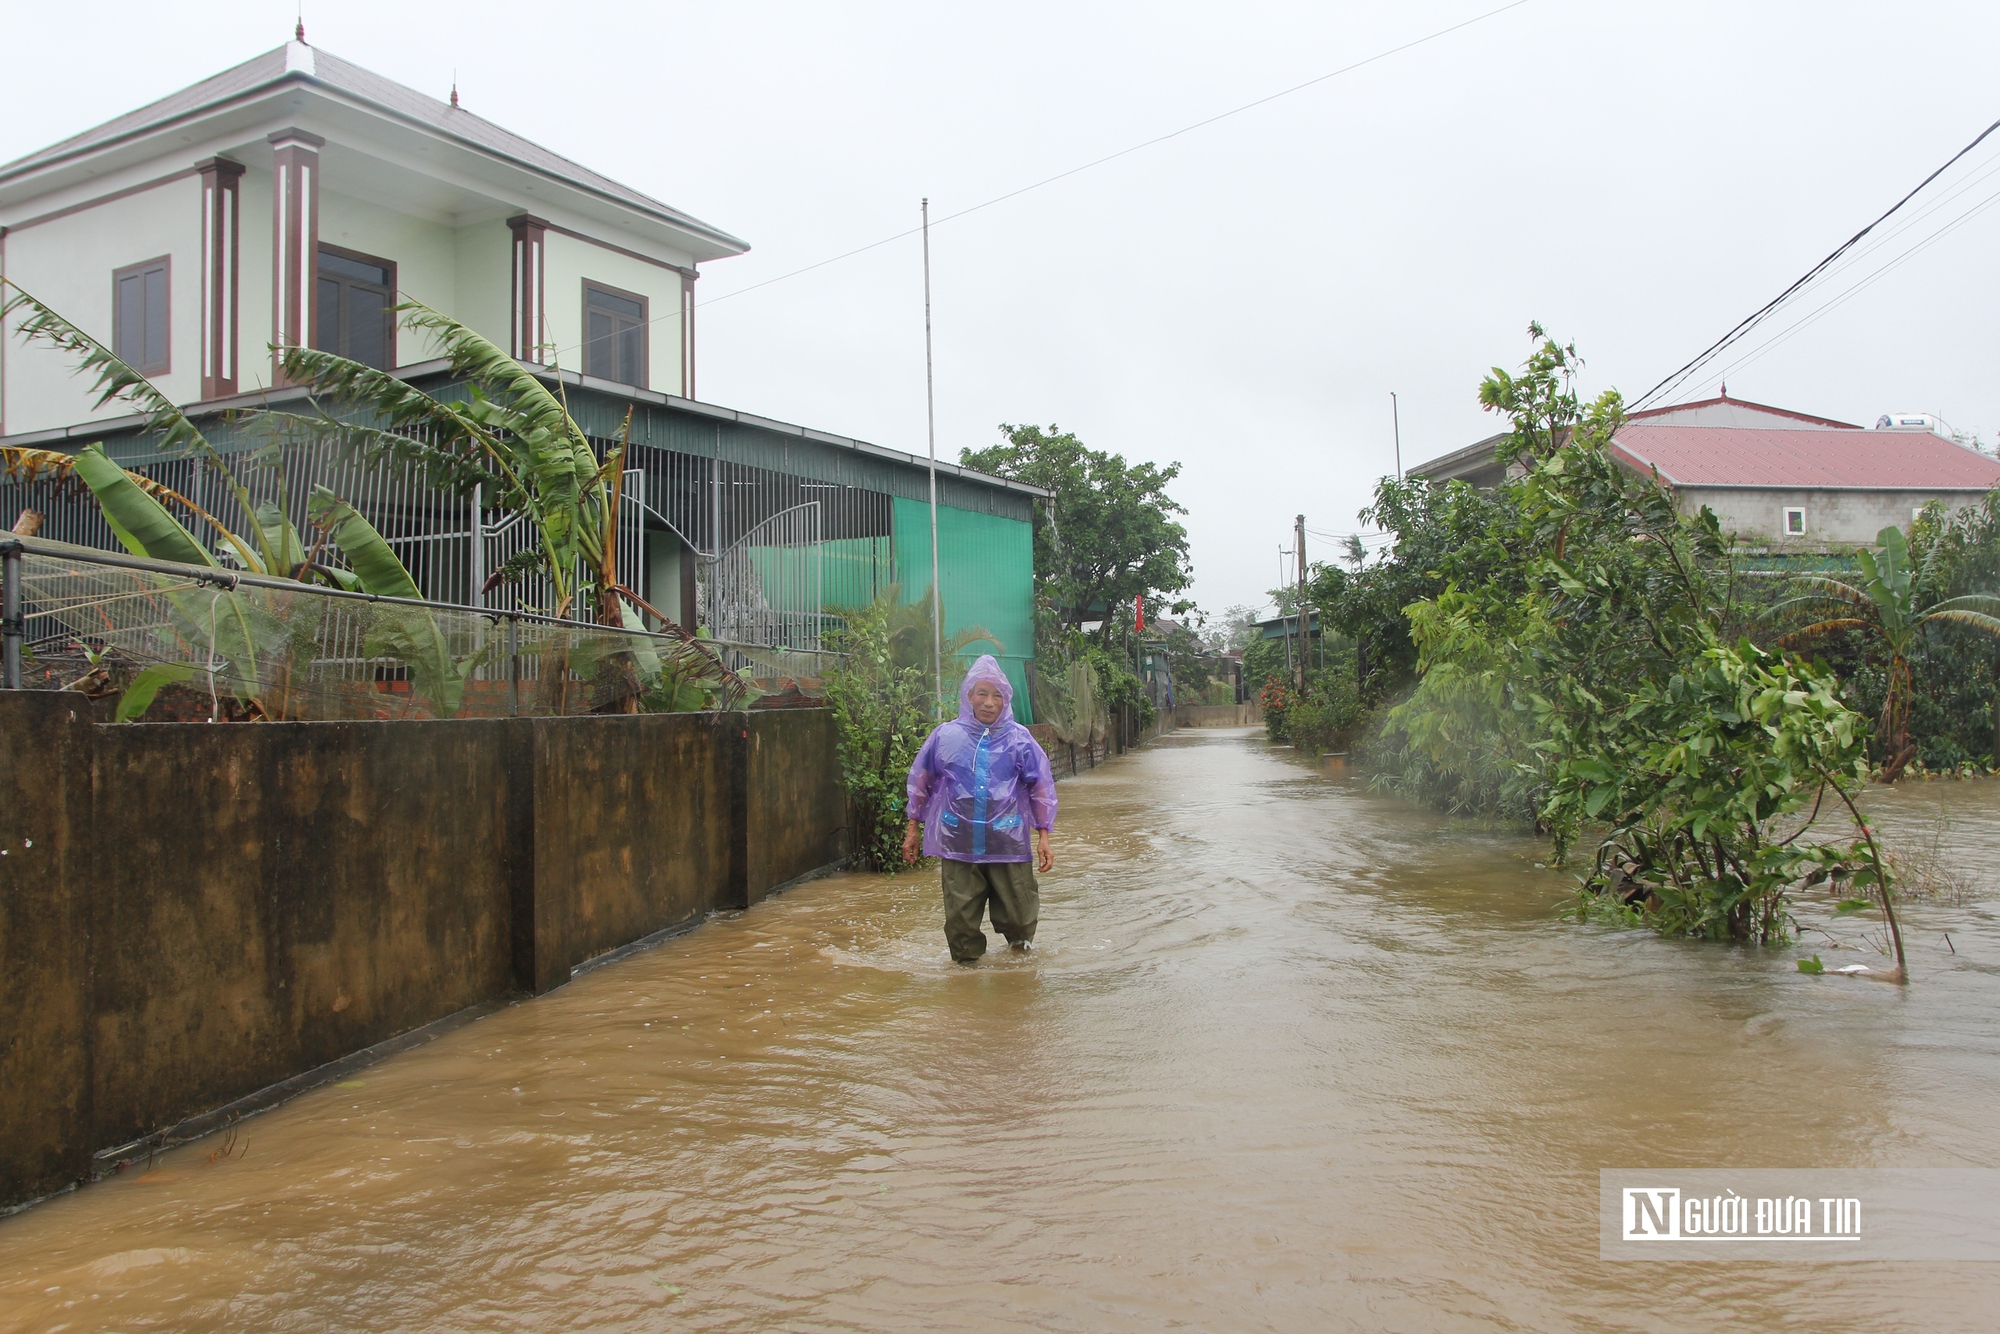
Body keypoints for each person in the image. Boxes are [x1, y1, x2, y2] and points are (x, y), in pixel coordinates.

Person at [903, 655, 1057, 963]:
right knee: (960, 926)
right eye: (982, 693)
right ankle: (964, 989)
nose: (989, 702)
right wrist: (912, 829)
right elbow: (922, 782)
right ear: (969, 696)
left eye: (997, 695)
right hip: (958, 842)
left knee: (1021, 921)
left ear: (1005, 700)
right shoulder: (945, 736)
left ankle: (1018, 979)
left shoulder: (1019, 739)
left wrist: (1044, 835)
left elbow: (1040, 787)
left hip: (1008, 843)